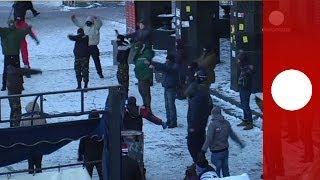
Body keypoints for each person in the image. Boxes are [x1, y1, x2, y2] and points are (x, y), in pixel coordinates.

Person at [201, 106, 245, 177]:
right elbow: (232, 135)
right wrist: (240, 143)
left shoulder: (212, 125)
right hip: (225, 151)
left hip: (216, 152)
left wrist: (203, 150)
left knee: (216, 171)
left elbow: (209, 139)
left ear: (213, 114)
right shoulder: (226, 123)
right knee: (225, 170)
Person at [0, 20, 39, 91]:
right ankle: (17, 85)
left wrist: (28, 29)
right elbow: (26, 31)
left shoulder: (6, 31)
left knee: (8, 70)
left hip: (9, 55)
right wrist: (29, 29)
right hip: (13, 55)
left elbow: (26, 31)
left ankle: (4, 85)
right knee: (16, 71)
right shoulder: (16, 31)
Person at [185, 69, 213, 163]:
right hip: (202, 123)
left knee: (193, 145)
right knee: (200, 140)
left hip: (195, 125)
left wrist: (192, 127)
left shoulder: (196, 97)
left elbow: (194, 114)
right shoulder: (206, 93)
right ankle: (200, 160)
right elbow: (210, 108)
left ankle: (198, 162)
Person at [6, 62, 42, 127]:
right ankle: (15, 126)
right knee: (16, 110)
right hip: (15, 94)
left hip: (12, 93)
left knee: (14, 110)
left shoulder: (10, 70)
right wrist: (37, 71)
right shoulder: (16, 70)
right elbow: (27, 71)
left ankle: (14, 124)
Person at [149, 53, 179, 128]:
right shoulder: (167, 65)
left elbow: (166, 68)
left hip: (171, 88)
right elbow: (162, 68)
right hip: (166, 87)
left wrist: (153, 63)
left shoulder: (174, 67)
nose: (167, 61)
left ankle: (173, 122)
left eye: (168, 60)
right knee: (167, 105)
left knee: (171, 105)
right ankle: (169, 120)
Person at [21, 101, 46, 174]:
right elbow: (45, 126)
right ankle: (39, 172)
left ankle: (31, 172)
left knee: (30, 162)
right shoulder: (41, 117)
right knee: (39, 161)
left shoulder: (24, 118)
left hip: (29, 143)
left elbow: (21, 129)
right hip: (39, 142)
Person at [78, 111, 103, 179]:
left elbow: (81, 143)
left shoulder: (86, 128)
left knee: (88, 176)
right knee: (102, 176)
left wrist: (80, 156)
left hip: (88, 157)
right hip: (100, 156)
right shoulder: (102, 127)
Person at [236, 51, 255, 130]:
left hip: (246, 88)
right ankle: (246, 119)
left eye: (239, 59)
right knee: (243, 104)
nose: (237, 61)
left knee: (246, 105)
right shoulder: (242, 67)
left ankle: (249, 122)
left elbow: (247, 77)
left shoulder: (247, 68)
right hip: (242, 87)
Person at [133, 43, 154, 108]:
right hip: (140, 76)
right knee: (141, 91)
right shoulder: (139, 54)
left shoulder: (147, 53)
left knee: (145, 92)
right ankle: (145, 104)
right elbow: (135, 60)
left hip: (144, 77)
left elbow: (150, 56)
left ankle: (147, 106)